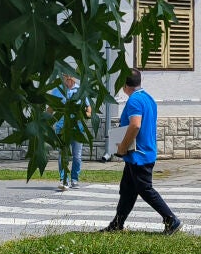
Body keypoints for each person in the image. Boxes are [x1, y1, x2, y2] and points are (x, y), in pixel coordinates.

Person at [101, 69, 181, 234]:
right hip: (140, 153)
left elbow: (135, 125)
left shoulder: (134, 101)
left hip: (139, 155)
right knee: (127, 190)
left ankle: (171, 220)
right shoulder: (148, 98)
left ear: (125, 85)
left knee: (145, 190)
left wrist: (123, 146)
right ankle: (117, 224)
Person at [52, 73, 90, 190]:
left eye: (71, 75)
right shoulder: (57, 91)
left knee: (77, 156)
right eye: (66, 75)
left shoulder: (80, 91)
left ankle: (74, 179)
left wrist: (85, 115)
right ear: (63, 77)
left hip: (77, 129)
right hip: (62, 128)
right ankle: (64, 180)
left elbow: (88, 109)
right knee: (62, 155)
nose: (68, 77)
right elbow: (51, 108)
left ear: (74, 77)